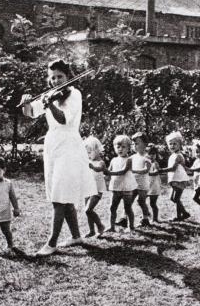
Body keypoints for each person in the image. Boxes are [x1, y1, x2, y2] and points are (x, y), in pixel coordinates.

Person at [20, 59, 97, 255]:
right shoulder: (49, 95)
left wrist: (51, 105)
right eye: (52, 77)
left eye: (60, 77)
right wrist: (26, 103)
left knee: (59, 197)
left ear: (68, 77)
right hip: (53, 146)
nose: (56, 81)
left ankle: (52, 242)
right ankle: (76, 236)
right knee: (62, 193)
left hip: (69, 145)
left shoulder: (74, 94)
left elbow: (64, 119)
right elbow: (31, 113)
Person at [116, 132, 151, 228]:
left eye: (137, 143)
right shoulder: (132, 157)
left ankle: (145, 219)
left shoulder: (146, 157)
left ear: (145, 144)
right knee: (128, 201)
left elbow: (146, 170)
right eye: (134, 144)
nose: (135, 146)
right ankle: (123, 218)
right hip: (133, 183)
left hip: (143, 184)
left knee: (141, 201)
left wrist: (133, 171)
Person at [105, 135, 137, 233]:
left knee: (127, 208)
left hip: (127, 187)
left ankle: (131, 227)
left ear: (128, 148)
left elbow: (123, 171)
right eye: (118, 147)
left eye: (123, 147)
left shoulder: (129, 160)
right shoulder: (113, 160)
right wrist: (103, 173)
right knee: (112, 207)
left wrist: (109, 173)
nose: (120, 149)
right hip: (116, 187)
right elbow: (108, 172)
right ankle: (111, 227)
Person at [160, 131, 190, 222]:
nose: (172, 146)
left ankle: (182, 214)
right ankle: (183, 214)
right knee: (173, 198)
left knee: (176, 198)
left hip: (180, 179)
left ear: (180, 144)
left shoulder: (178, 156)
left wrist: (161, 170)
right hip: (175, 179)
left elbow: (173, 168)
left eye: (175, 144)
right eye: (170, 144)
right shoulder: (173, 155)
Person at [83, 136, 106, 237]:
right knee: (87, 211)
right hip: (88, 188)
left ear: (97, 150)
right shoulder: (88, 162)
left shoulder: (101, 162)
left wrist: (92, 166)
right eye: (87, 153)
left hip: (97, 189)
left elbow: (99, 169)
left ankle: (100, 226)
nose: (88, 155)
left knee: (88, 210)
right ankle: (91, 230)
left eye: (90, 152)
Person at [146, 143, 162, 223]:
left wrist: (147, 173)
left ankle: (155, 218)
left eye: (153, 154)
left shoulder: (155, 163)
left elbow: (156, 172)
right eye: (149, 154)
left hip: (154, 186)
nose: (151, 156)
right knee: (140, 200)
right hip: (147, 185)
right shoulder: (145, 163)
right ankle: (147, 213)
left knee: (153, 203)